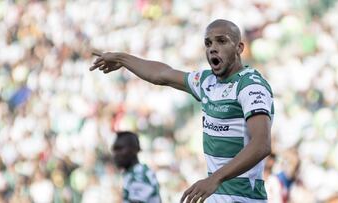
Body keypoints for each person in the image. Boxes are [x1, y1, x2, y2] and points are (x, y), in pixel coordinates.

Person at [91, 19, 274, 203]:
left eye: (221, 41)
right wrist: (122, 59)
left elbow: (261, 144)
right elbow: (161, 74)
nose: (213, 48)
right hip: (216, 196)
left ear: (239, 48)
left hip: (243, 198)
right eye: (208, 43)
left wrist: (214, 179)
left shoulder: (250, 86)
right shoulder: (207, 82)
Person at [112, 131, 161, 203]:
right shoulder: (132, 173)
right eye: (114, 150)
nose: (115, 154)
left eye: (120, 149)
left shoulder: (139, 175)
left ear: (134, 149)